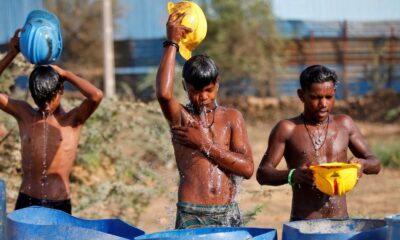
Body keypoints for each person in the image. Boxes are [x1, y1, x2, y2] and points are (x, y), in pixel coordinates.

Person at [156, 12, 254, 229]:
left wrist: (204, 144)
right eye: (195, 91)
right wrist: (171, 43)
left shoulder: (232, 118)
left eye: (208, 90)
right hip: (192, 212)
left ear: (217, 84)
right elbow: (163, 94)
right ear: (184, 87)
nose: (203, 97)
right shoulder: (182, 117)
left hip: (227, 211)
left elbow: (247, 169)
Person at [256, 64, 381, 221]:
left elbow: (375, 163)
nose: (323, 104)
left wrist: (362, 164)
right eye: (316, 97)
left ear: (334, 93)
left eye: (328, 97)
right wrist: (293, 175)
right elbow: (262, 173)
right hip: (304, 224)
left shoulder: (344, 124)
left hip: (341, 223)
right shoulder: (288, 128)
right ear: (301, 95)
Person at [0, 30, 103, 214]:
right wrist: (11, 54)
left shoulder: (73, 120)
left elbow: (96, 95)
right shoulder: (25, 114)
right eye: (40, 100)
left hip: (60, 204)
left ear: (61, 90)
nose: (45, 106)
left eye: (49, 99)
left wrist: (65, 73)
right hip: (27, 201)